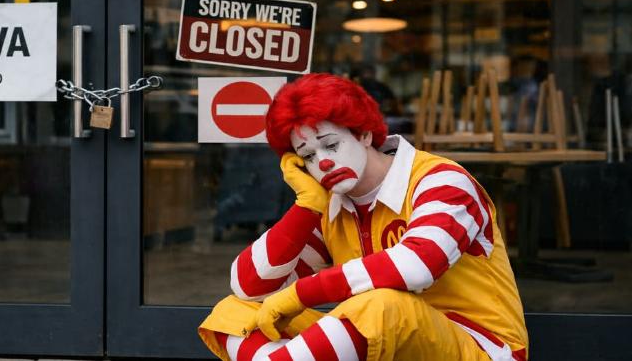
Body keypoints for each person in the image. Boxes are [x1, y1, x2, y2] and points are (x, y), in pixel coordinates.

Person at [198, 73, 528, 361]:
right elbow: (249, 286)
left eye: (331, 144)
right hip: (385, 347)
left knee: (381, 305)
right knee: (234, 312)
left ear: (364, 134)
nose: (322, 162)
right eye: (308, 155)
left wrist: (300, 294)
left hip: (478, 349)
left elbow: (417, 266)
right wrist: (306, 205)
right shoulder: (331, 204)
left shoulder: (440, 179)